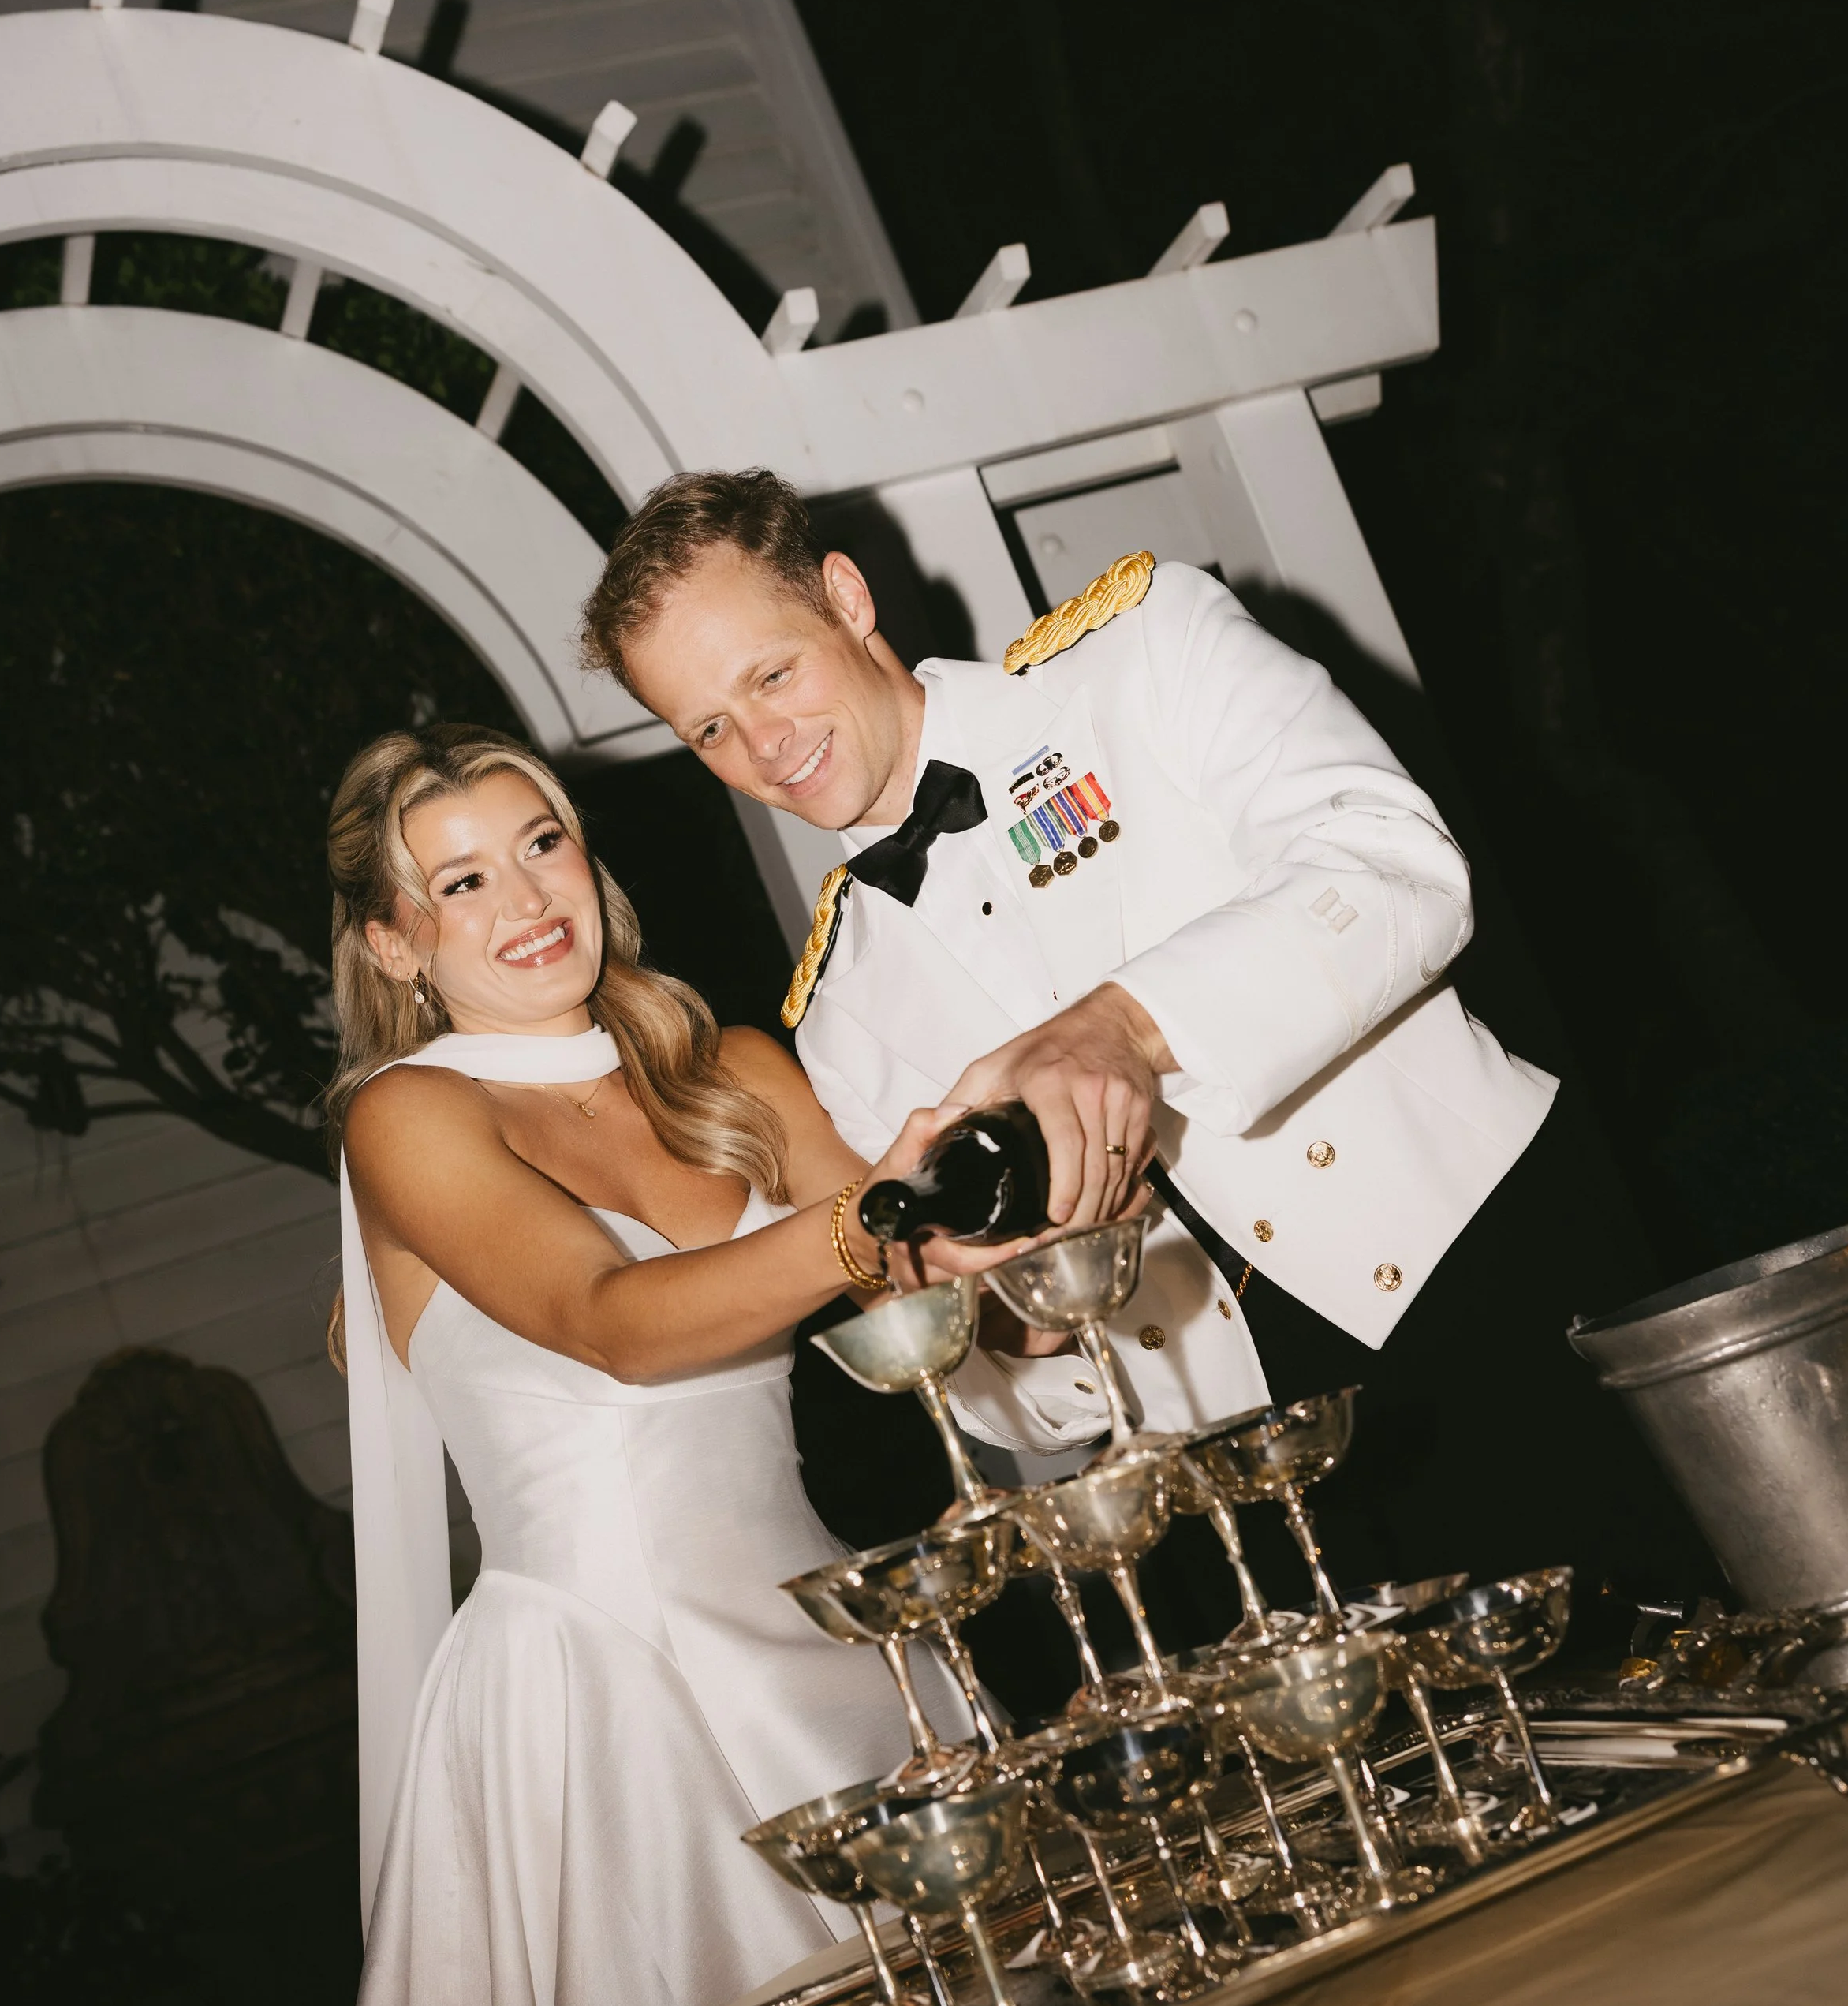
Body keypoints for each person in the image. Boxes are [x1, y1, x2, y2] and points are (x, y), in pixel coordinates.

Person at [579, 470, 1566, 1597]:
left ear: (846, 599)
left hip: (1483, 1283)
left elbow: (1403, 867)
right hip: (1251, 1488)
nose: (765, 743)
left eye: (773, 672)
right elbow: (1020, 1404)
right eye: (710, 727)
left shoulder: (1143, 651)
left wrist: (1122, 1026)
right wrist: (1012, 1323)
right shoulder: (837, 1014)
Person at [306, 723, 1007, 2006]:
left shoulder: (728, 1067)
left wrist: (1023, 1190)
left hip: (842, 1654)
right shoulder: (407, 1118)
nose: (522, 897)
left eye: (540, 842)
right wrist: (880, 1216)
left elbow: (936, 1289)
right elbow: (615, 1324)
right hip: (608, 1702)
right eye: (460, 881)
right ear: (396, 943)